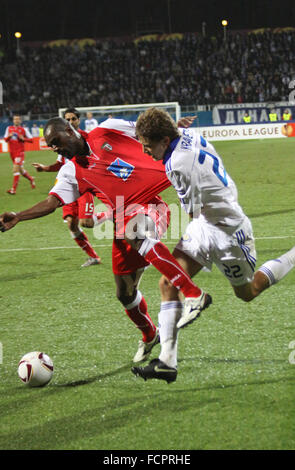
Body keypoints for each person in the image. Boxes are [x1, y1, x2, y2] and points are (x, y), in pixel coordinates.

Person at [0, 116, 211, 364]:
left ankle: (192, 293)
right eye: (51, 146)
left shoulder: (108, 129)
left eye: (56, 141)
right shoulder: (71, 171)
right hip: (123, 221)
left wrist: (174, 124)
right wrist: (18, 216)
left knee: (134, 231)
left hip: (151, 206)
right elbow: (52, 202)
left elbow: (145, 130)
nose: (55, 148)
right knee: (124, 293)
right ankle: (149, 335)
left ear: (71, 130)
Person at [132, 107, 295, 383]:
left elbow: (192, 211)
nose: (146, 152)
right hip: (207, 224)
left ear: (163, 140)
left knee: (248, 291)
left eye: (148, 146)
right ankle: (167, 363)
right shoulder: (185, 134)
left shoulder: (177, 165)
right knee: (168, 283)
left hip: (229, 232)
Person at [32, 108, 101, 268]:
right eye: (67, 119)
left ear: (78, 120)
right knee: (71, 223)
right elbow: (60, 163)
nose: (70, 122)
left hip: (84, 186)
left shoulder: (87, 139)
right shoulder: (62, 141)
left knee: (87, 223)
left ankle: (111, 214)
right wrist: (45, 168)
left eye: (73, 119)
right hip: (68, 185)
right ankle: (93, 257)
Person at [4, 114, 35, 195]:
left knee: (15, 169)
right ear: (13, 120)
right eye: (15, 119)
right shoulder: (9, 128)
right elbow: (5, 140)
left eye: (18, 119)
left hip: (20, 152)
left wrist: (23, 139)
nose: (16, 120)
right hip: (12, 153)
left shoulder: (24, 129)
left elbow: (32, 140)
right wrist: (9, 137)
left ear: (20, 121)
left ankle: (13, 189)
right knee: (20, 170)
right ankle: (31, 179)